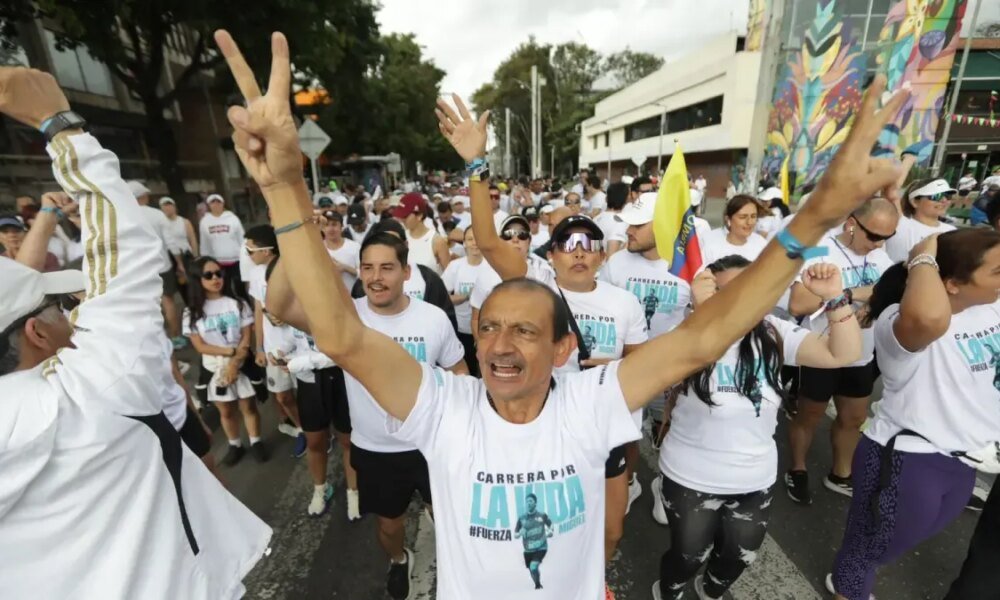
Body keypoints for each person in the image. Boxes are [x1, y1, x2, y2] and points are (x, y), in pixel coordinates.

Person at [213, 31, 905, 599]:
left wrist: (817, 215)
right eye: (489, 327)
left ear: (564, 349)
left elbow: (706, 337)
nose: (498, 344)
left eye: (524, 330)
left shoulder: (590, 401)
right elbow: (339, 333)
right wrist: (283, 187)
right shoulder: (444, 407)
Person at [0, 63, 270, 597]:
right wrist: (60, 126)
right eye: (59, 307)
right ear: (36, 333)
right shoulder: (91, 388)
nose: (72, 313)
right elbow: (126, 255)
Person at [652, 256, 861, 600]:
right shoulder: (685, 332)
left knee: (739, 556)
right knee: (688, 556)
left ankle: (710, 591)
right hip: (690, 477)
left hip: (753, 479)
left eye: (747, 289)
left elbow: (843, 353)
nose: (738, 300)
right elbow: (658, 371)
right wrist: (702, 316)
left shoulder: (773, 332)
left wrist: (835, 298)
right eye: (723, 292)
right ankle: (669, 592)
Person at [827, 229, 1000, 600]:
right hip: (908, 460)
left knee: (887, 547)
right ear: (952, 284)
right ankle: (847, 588)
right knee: (867, 551)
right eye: (997, 272)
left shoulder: (988, 305)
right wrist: (924, 255)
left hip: (964, 461)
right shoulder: (899, 318)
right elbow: (927, 317)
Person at [784, 198, 898, 505]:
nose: (879, 243)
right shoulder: (818, 249)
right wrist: (848, 295)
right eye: (874, 235)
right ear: (851, 223)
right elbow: (799, 303)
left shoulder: (880, 255)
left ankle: (840, 473)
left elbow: (892, 291)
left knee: (854, 417)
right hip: (821, 351)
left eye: (888, 237)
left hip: (861, 353)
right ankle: (797, 468)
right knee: (809, 414)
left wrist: (861, 299)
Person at [602, 192, 692, 455]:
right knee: (625, 434)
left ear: (663, 225)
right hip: (626, 370)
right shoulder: (616, 263)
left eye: (638, 225)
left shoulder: (688, 264)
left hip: (670, 371)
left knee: (670, 429)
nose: (628, 231)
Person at [184, 256, 268, 466]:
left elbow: (246, 337)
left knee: (248, 406)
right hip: (214, 368)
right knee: (226, 410)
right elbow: (200, 346)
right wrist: (230, 352)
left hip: (242, 363)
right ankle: (235, 444)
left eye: (218, 273)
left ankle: (256, 441)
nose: (216, 278)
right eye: (208, 275)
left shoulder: (238, 304)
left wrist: (234, 363)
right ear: (197, 279)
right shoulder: (191, 312)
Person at [245, 225, 307, 458]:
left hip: (299, 343)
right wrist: (259, 347)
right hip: (273, 348)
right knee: (283, 396)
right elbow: (258, 310)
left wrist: (288, 315)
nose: (248, 255)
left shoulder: (291, 268)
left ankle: (318, 431)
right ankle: (302, 429)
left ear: (267, 250)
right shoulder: (255, 274)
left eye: (250, 250)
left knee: (307, 392)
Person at [349, 218, 458, 332]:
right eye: (381, 242)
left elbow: (446, 320)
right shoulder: (361, 286)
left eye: (392, 242)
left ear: (406, 244)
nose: (376, 277)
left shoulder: (428, 278)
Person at [441, 226, 486, 377]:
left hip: (486, 330)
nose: (474, 243)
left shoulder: (492, 266)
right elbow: (441, 298)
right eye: (470, 239)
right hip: (461, 331)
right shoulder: (456, 266)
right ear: (464, 243)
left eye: (478, 239)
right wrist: (465, 296)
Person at [885, 178, 956, 263]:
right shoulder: (899, 224)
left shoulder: (952, 231)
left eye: (948, 196)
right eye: (936, 196)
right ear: (914, 202)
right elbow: (891, 192)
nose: (944, 200)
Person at [199, 193, 246, 296]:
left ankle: (245, 304)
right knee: (225, 288)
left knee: (240, 287)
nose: (216, 204)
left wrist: (246, 255)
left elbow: (242, 238)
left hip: (236, 260)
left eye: (218, 202)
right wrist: (205, 260)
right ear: (209, 205)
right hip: (218, 262)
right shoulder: (205, 221)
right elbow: (204, 242)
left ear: (223, 204)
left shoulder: (232, 218)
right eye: (213, 202)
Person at [701, 195, 769, 266]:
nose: (749, 222)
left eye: (753, 216)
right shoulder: (710, 243)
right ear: (728, 219)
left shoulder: (762, 244)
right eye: (742, 217)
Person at [391, 192, 450, 273]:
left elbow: (448, 274)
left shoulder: (436, 241)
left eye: (405, 216)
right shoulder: (400, 237)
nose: (402, 219)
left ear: (419, 216)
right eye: (400, 215)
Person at [159, 196, 199, 302]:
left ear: (174, 207)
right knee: (180, 284)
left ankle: (195, 302)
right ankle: (187, 304)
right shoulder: (161, 224)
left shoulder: (184, 222)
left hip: (185, 255)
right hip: (170, 257)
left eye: (169, 205)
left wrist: (195, 256)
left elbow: (192, 239)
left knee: (191, 282)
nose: (167, 208)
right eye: (164, 206)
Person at [515, 493, 555, 590]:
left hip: (541, 547)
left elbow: (551, 525)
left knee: (533, 566)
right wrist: (519, 533)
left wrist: (550, 531)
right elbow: (515, 534)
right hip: (528, 550)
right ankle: (537, 583)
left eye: (530, 501)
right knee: (532, 570)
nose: (528, 503)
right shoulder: (521, 518)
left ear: (535, 503)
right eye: (527, 501)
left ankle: (538, 585)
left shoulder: (542, 515)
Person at [322, 211, 361, 290]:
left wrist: (345, 268)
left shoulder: (355, 247)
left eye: (334, 224)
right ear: (322, 228)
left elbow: (364, 274)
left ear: (342, 226)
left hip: (351, 296)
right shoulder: (318, 248)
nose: (330, 229)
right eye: (326, 225)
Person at [593, 182, 629, 256]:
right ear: (626, 200)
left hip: (597, 261)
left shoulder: (595, 219)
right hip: (610, 263)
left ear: (606, 198)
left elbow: (595, 249)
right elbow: (611, 257)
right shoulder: (621, 223)